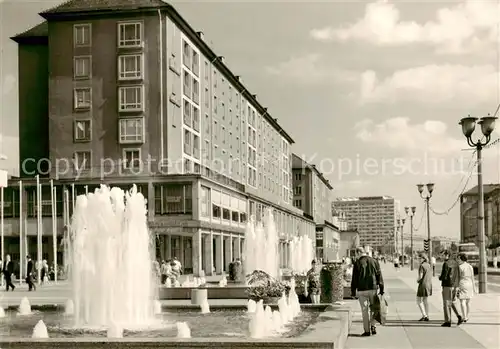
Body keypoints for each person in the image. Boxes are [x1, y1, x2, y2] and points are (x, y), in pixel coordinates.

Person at [351, 246, 384, 336]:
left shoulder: (357, 263)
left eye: (356, 254)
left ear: (358, 253)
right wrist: (381, 289)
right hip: (373, 289)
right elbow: (379, 276)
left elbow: (354, 279)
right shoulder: (374, 261)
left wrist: (353, 292)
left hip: (362, 290)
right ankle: (373, 326)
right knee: (373, 308)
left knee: (364, 310)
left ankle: (367, 331)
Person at [439, 250, 463, 327]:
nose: (441, 257)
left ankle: (447, 321)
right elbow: (458, 275)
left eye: (442, 255)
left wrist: (440, 277)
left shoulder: (446, 264)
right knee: (451, 302)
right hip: (453, 286)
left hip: (447, 285)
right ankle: (459, 316)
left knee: (446, 303)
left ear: (447, 255)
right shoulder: (455, 263)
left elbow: (445, 276)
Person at [457, 253, 476, 323]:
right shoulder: (470, 266)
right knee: (468, 302)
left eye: (458, 259)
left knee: (462, 301)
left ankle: (464, 317)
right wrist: (474, 288)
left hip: (462, 283)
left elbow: (458, 278)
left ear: (462, 259)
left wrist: (456, 287)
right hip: (470, 284)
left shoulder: (460, 267)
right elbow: (472, 277)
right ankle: (467, 316)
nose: (458, 260)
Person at [416, 253, 432, 321]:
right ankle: (427, 315)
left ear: (423, 258)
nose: (418, 260)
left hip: (423, 284)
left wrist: (418, 280)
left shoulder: (421, 266)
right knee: (425, 300)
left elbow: (421, 276)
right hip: (429, 284)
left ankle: (424, 315)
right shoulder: (429, 265)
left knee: (418, 300)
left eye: (419, 258)